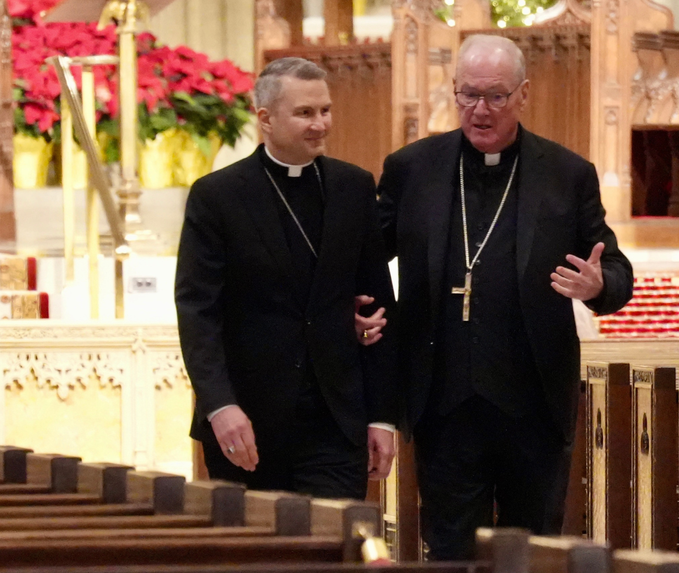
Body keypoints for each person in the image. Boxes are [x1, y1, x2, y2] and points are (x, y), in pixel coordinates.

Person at [371, 34, 634, 559]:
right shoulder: (412, 168)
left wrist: (598, 284)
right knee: (448, 549)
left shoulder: (566, 174)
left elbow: (616, 268)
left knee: (532, 551)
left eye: (495, 96)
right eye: (468, 95)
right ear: (453, 91)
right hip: (441, 402)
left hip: (533, 403)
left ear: (524, 94)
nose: (480, 110)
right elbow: (364, 258)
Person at [175, 57, 397, 498]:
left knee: (332, 551)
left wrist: (382, 416)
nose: (320, 124)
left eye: (325, 110)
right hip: (247, 420)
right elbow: (199, 312)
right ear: (265, 119)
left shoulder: (353, 187)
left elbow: (377, 305)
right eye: (305, 113)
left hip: (335, 420)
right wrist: (219, 405)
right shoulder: (217, 196)